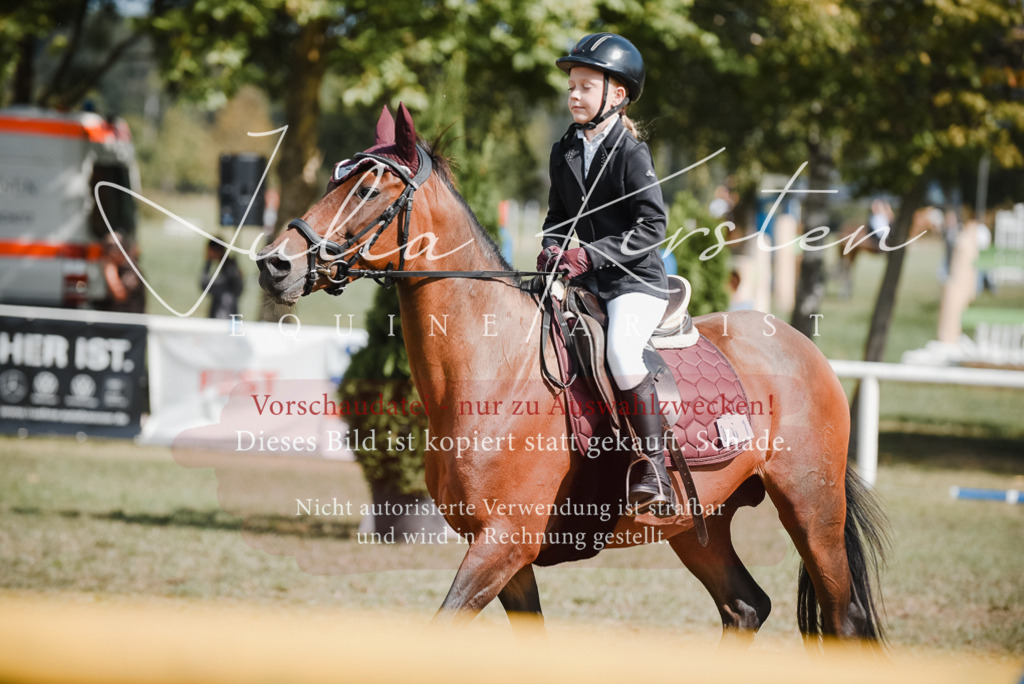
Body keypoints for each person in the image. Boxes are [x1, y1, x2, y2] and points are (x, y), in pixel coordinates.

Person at [536, 33, 675, 516]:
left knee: (619, 352)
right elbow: (557, 215)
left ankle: (655, 469)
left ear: (615, 95)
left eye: (585, 86)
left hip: (634, 282)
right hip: (584, 279)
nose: (573, 95)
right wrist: (552, 248)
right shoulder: (565, 149)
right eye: (571, 86)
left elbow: (654, 225)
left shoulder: (631, 152)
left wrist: (589, 257)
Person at [200, 239, 244, 319]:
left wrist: (208, 262)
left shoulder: (229, 270)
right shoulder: (230, 267)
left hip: (224, 317)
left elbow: (204, 284)